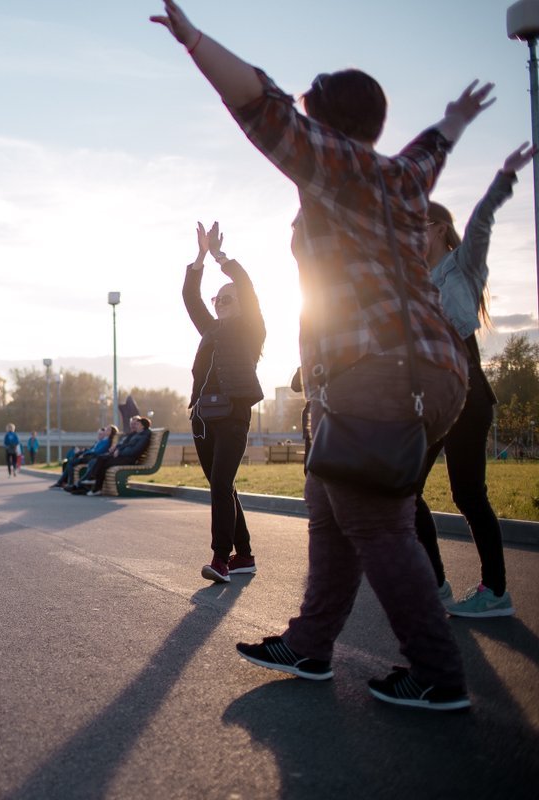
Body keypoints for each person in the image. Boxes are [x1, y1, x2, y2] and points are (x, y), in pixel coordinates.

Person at [153, 0, 493, 710]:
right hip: (426, 370)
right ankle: (310, 645)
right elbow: (432, 148)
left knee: (374, 520)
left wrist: (193, 40)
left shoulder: (335, 166)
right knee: (330, 500)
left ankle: (437, 671)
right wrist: (455, 121)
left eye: (314, 117)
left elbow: (259, 104)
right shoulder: (400, 176)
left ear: (328, 125)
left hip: (380, 370)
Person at [413, 144, 533, 618]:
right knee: (406, 490)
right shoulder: (417, 280)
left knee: (467, 493)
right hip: (433, 399)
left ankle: (496, 591)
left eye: (417, 228)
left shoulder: (461, 267)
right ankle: (437, 584)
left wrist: (504, 178)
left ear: (439, 229)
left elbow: (481, 221)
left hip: (466, 393)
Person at [183, 222, 265, 582]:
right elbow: (190, 298)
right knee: (223, 486)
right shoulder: (210, 329)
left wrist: (219, 256)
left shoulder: (252, 328)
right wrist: (198, 258)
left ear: (241, 304)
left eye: (226, 299)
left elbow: (245, 285)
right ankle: (244, 555)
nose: (218, 304)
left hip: (233, 414)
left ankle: (220, 558)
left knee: (219, 484)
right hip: (202, 419)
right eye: (217, 300)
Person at [69, 415, 152, 495]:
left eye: (137, 424)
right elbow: (125, 445)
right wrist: (118, 449)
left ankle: (94, 484)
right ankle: (94, 487)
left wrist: (119, 452)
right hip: (122, 456)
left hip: (128, 459)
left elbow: (135, 451)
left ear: (142, 426)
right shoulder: (136, 435)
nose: (135, 426)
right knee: (101, 459)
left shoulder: (144, 437)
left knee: (102, 461)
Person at [51, 426, 117, 489]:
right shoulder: (102, 441)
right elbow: (93, 449)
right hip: (90, 456)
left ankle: (68, 483)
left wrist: (85, 454)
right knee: (71, 459)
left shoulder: (107, 441)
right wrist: (84, 452)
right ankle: (64, 482)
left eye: (107, 430)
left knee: (71, 462)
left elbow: (97, 451)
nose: (105, 431)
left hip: (92, 457)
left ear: (111, 433)